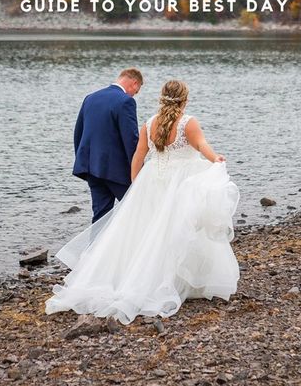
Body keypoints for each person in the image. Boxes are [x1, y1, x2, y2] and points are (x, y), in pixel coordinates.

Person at [46, 80, 240, 324]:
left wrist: (136, 185)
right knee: (177, 229)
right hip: (180, 182)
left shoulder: (150, 123)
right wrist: (216, 158)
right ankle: (172, 281)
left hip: (152, 180)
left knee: (147, 232)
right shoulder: (188, 122)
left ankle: (141, 276)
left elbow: (139, 156)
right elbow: (201, 145)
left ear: (162, 98)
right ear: (185, 99)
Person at [73, 68, 143, 223]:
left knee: (100, 218)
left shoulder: (90, 98)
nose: (134, 94)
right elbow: (131, 140)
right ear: (134, 83)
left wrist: (85, 163)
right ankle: (135, 246)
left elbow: (78, 133)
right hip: (116, 172)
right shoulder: (126, 101)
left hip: (92, 169)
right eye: (136, 91)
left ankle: (96, 248)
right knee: (139, 211)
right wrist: (139, 170)